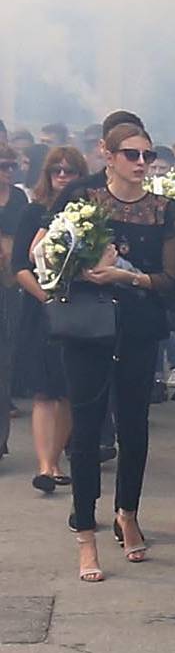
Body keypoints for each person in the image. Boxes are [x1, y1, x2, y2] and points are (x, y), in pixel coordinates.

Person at [62, 122, 175, 581]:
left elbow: (172, 281)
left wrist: (127, 277)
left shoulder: (163, 210)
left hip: (139, 326)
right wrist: (89, 269)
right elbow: (50, 257)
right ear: (107, 156)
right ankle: (84, 532)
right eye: (130, 154)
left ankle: (127, 511)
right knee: (88, 427)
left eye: (147, 156)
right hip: (88, 327)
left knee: (135, 426)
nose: (140, 163)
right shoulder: (83, 201)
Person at [11, 146, 87, 493]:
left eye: (69, 171)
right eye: (56, 170)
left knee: (69, 389)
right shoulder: (33, 212)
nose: (62, 175)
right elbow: (19, 266)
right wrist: (45, 296)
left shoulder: (88, 214)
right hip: (40, 310)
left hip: (77, 309)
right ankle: (45, 466)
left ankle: (55, 459)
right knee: (44, 391)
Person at [0, 143, 27, 465]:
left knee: (4, 364)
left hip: (9, 286)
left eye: (10, 166)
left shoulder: (19, 198)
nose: (6, 172)